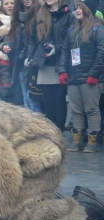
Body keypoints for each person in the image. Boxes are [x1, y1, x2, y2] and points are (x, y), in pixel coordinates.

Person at [58, 0, 104, 152]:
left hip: (90, 78)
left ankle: (93, 141)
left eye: (80, 8)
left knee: (91, 110)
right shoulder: (72, 28)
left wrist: (93, 74)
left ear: (88, 10)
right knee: (77, 110)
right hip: (74, 77)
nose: (76, 10)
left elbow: (102, 53)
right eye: (76, 8)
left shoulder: (98, 28)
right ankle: (77, 141)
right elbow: (65, 51)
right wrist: (63, 71)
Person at [25, 0, 75, 132]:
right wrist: (30, 56)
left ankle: (59, 132)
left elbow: (71, 39)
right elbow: (32, 39)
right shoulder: (40, 14)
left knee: (59, 99)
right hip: (44, 62)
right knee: (47, 101)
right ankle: (51, 132)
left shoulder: (68, 15)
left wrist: (57, 48)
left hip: (61, 63)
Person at [3, 0, 39, 109]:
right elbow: (13, 37)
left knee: (32, 97)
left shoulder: (39, 13)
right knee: (25, 97)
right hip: (20, 61)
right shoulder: (17, 16)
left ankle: (37, 124)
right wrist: (7, 45)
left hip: (33, 60)